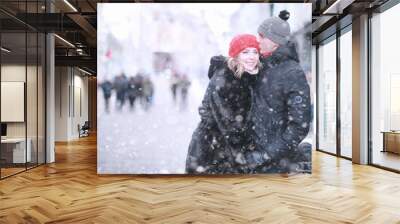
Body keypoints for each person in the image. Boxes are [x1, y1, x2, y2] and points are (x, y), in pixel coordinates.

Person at [186, 34, 261, 174]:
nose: (251, 57)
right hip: (213, 152)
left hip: (227, 152)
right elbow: (229, 125)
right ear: (236, 55)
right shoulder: (225, 77)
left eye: (255, 52)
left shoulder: (248, 76)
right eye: (245, 52)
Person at [250, 10, 312, 173]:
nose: (258, 40)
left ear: (275, 41)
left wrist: (267, 154)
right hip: (253, 157)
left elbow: (299, 125)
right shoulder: (260, 66)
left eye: (262, 36)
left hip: (275, 162)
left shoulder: (292, 73)